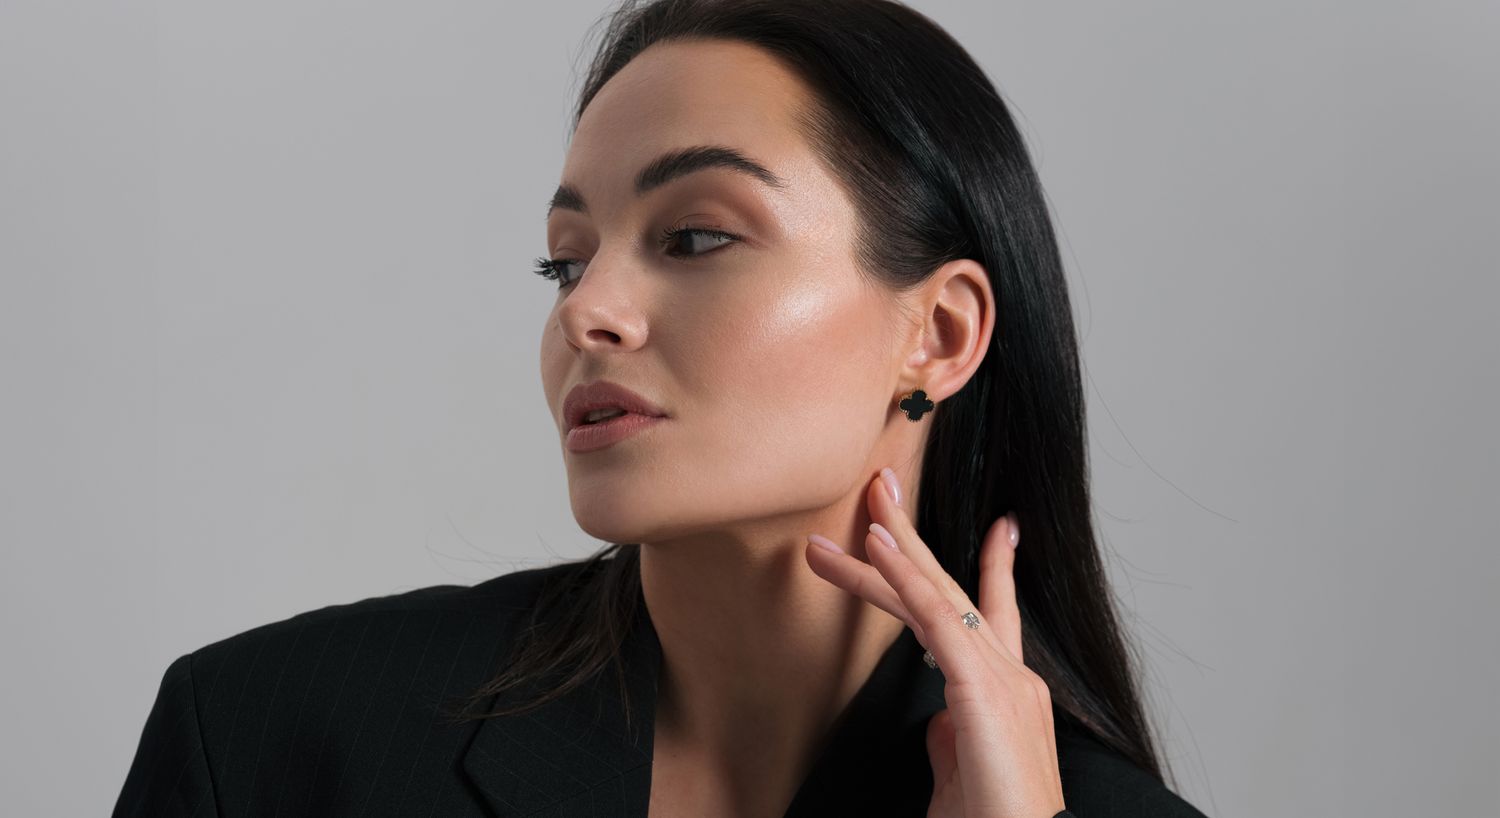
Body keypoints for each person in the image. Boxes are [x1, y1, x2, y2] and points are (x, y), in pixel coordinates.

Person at [113, 1, 1212, 815]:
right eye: (566, 261)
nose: (586, 310)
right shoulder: (271, 741)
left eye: (693, 237)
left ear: (940, 333)